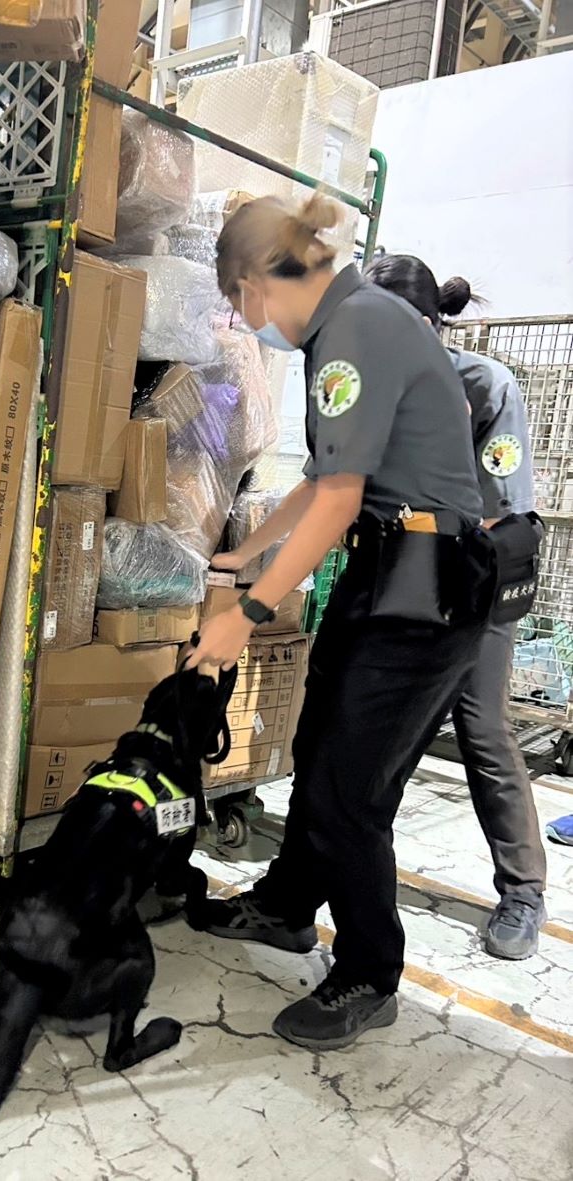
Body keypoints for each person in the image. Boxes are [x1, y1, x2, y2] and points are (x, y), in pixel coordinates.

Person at [185, 193, 487, 1051]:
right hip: (388, 571)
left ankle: (368, 969)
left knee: (350, 787)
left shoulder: (355, 329)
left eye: (241, 309)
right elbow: (324, 481)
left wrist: (245, 614)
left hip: (426, 587)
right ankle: (285, 907)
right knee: (320, 751)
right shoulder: (352, 324)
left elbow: (341, 501)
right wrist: (249, 554)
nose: (250, 327)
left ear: (254, 286)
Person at [364, 253, 547, 958]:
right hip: (406, 578)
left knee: (482, 727)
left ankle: (524, 891)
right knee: (377, 734)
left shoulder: (484, 385)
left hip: (479, 585)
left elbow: (505, 514)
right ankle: (326, 871)